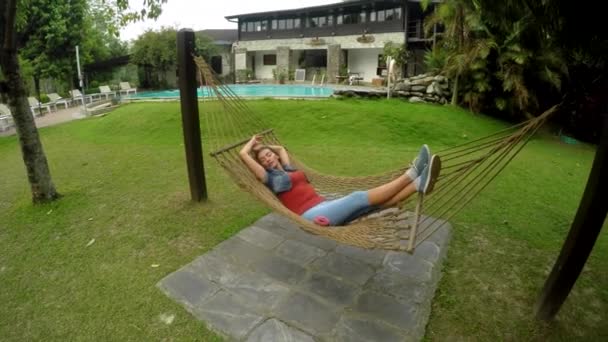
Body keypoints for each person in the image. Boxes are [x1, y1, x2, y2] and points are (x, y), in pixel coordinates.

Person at [239, 135, 441, 226]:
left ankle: (418, 184)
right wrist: (252, 145)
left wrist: (268, 148)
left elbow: (282, 149)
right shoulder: (269, 177)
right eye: (263, 159)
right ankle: (412, 174)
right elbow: (243, 154)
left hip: (324, 204)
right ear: (262, 166)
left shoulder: (288, 167)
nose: (268, 157)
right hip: (310, 215)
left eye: (268, 155)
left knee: (375, 205)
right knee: (357, 197)